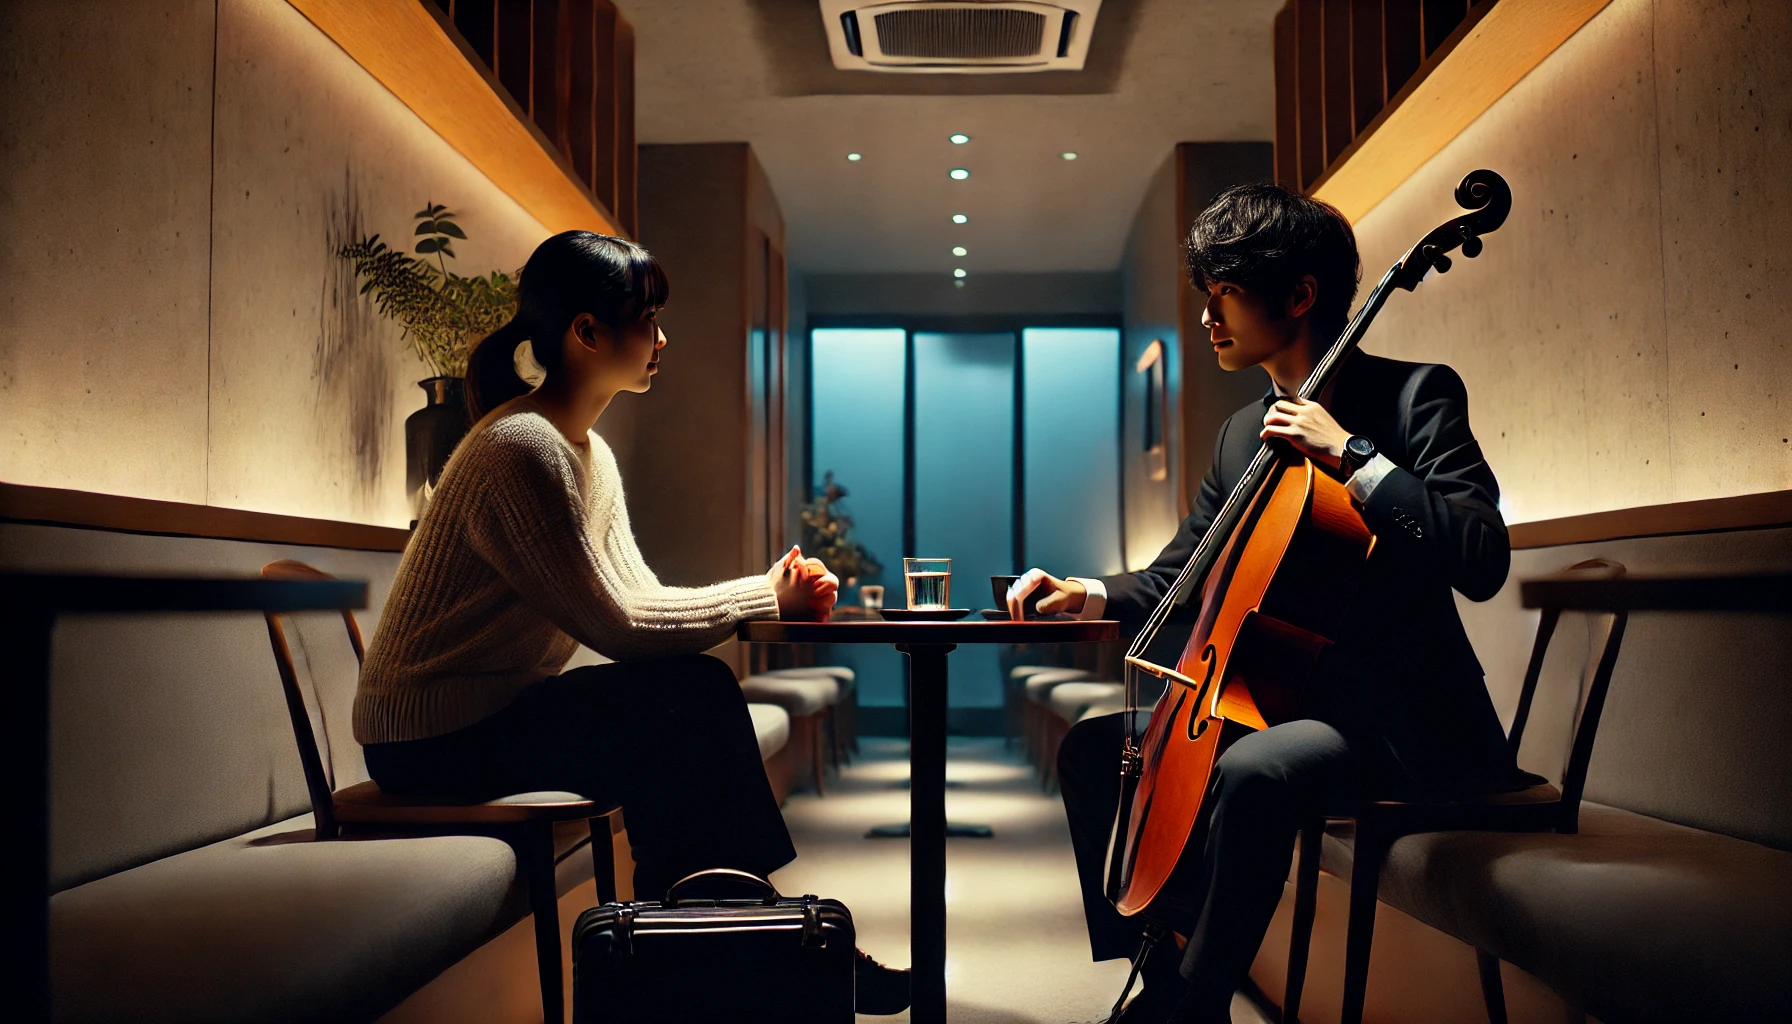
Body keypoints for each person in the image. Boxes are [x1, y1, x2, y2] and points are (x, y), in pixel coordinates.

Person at [1006, 184, 1527, 1023]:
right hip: (1276, 702)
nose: (1208, 318)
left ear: (1299, 295)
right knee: (1097, 750)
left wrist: (1353, 456)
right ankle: (1161, 968)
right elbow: (1181, 575)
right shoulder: (1242, 431)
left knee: (1253, 767)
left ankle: (1194, 1004)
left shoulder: (1415, 396)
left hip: (1399, 724)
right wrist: (1090, 592)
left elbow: (1481, 556)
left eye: (1225, 295)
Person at [351, 230, 907, 1014]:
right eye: (648, 318)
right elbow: (619, 626)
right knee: (686, 702)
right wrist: (763, 596)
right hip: (429, 740)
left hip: (493, 712)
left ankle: (717, 949)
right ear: (585, 334)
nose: (662, 338)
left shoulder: (586, 453)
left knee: (686, 697)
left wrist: (765, 591)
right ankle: (746, 947)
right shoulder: (520, 449)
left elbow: (638, 600)